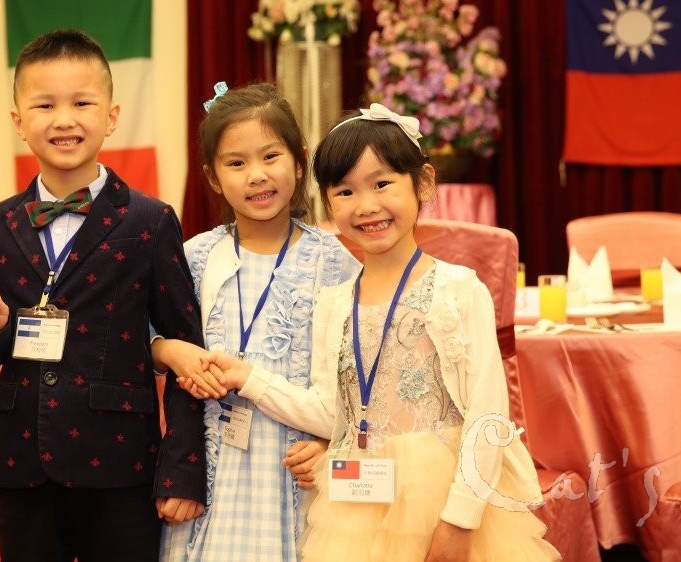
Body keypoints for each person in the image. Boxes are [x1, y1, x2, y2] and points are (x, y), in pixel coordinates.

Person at [206, 104, 560, 561]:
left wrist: (461, 518)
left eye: (382, 184)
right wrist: (250, 379)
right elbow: (330, 411)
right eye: (345, 191)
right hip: (355, 512)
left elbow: (487, 414)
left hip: (443, 502)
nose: (366, 206)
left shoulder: (456, 290)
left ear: (423, 183)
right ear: (327, 201)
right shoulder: (334, 302)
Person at [0, 29, 207, 562]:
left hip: (118, 459)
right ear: (18, 122)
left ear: (112, 117)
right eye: (45, 105)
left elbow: (186, 346)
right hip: (22, 457)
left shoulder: (150, 220)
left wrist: (182, 468)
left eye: (82, 103)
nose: (64, 119)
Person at [152, 82, 360, 562]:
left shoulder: (335, 264)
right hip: (212, 476)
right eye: (236, 163)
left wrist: (329, 442)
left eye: (270, 156)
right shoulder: (195, 257)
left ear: (300, 161)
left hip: (293, 472)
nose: (257, 176)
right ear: (212, 177)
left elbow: (357, 384)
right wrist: (167, 350)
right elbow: (144, 336)